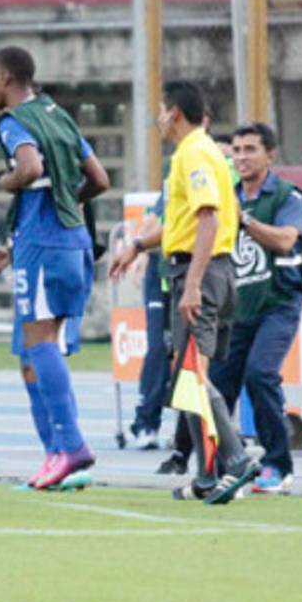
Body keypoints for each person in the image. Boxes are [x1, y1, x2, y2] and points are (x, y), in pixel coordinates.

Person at [110, 80, 260, 504]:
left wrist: (192, 285)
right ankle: (206, 476)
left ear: (174, 112)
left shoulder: (194, 153)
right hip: (209, 270)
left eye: (160, 109)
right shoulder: (204, 151)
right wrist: (137, 245)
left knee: (191, 374)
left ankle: (235, 458)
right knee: (188, 377)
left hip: (200, 272)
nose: (157, 118)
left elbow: (208, 219)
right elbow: (183, 221)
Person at [0, 46, 110, 489]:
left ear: (4, 78)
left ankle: (70, 446)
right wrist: (63, 204)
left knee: (38, 347)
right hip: (73, 243)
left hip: (44, 245)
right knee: (35, 353)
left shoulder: (13, 121)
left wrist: (8, 181)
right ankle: (57, 458)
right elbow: (100, 180)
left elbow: (29, 166)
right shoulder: (59, 114)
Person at [207, 122, 302, 494]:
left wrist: (243, 219)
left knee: (261, 375)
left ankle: (278, 464)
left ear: (271, 155)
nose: (242, 157)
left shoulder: (286, 196)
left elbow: (285, 240)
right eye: (236, 150)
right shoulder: (227, 195)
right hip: (236, 309)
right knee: (217, 386)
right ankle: (223, 468)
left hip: (278, 303)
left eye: (250, 149)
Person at [129, 193, 169, 451]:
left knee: (190, 352)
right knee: (158, 347)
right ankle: (146, 422)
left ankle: (192, 427)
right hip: (160, 272)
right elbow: (152, 222)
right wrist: (143, 249)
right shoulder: (177, 172)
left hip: (192, 272)